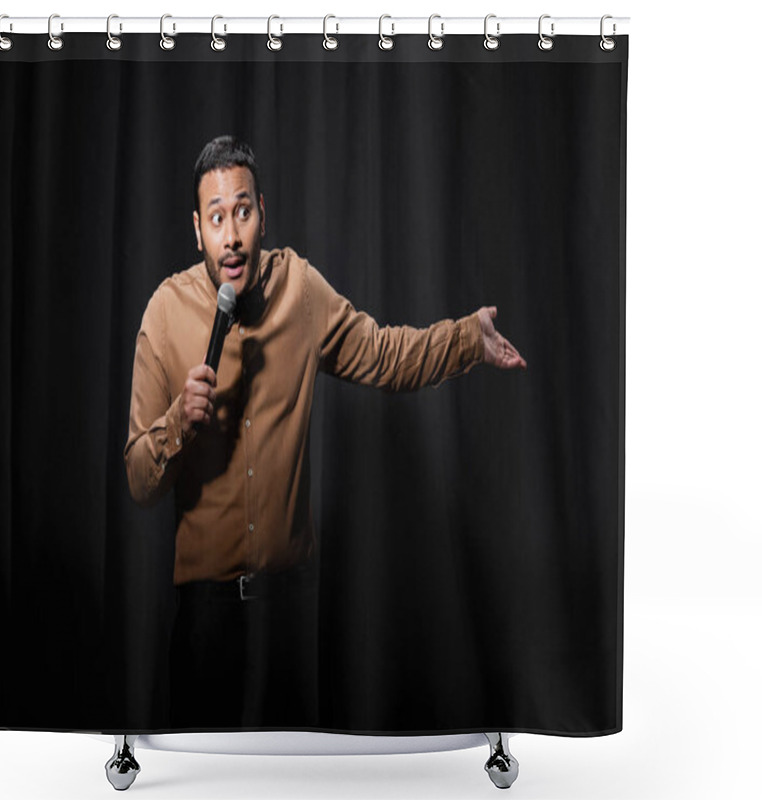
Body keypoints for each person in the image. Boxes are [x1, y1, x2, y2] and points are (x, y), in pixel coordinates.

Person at [124, 135, 527, 730]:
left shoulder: (301, 291)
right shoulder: (165, 311)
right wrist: (176, 424)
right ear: (197, 229)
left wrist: (468, 337)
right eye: (216, 218)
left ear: (263, 211)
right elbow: (137, 479)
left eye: (242, 211)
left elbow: (385, 354)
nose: (231, 234)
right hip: (205, 615)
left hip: (288, 608)